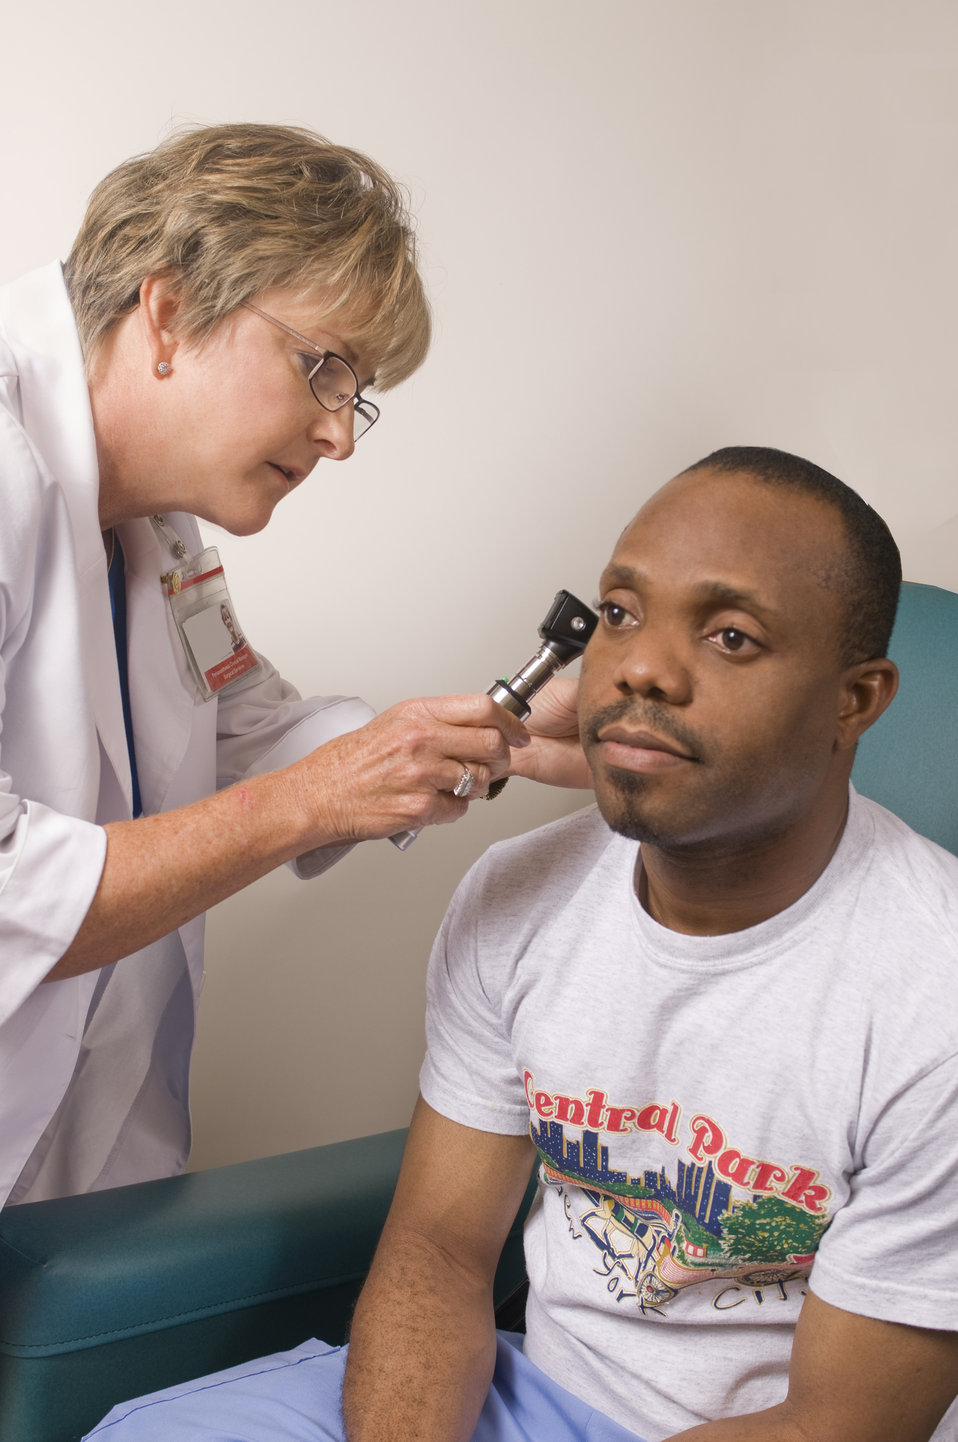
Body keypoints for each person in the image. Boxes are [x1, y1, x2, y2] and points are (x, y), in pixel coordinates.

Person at [85, 446, 958, 1441]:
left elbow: (841, 1423)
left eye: (729, 636)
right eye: (622, 612)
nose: (638, 667)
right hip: (528, 1396)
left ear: (856, 700)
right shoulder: (518, 895)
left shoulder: (932, 994)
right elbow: (440, 1250)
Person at [0, 123, 583, 1212]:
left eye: (354, 392)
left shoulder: (155, 521)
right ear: (168, 310)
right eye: (322, 368)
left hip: (76, 1181)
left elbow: (240, 720)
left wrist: (504, 733)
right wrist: (308, 801)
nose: (340, 437)